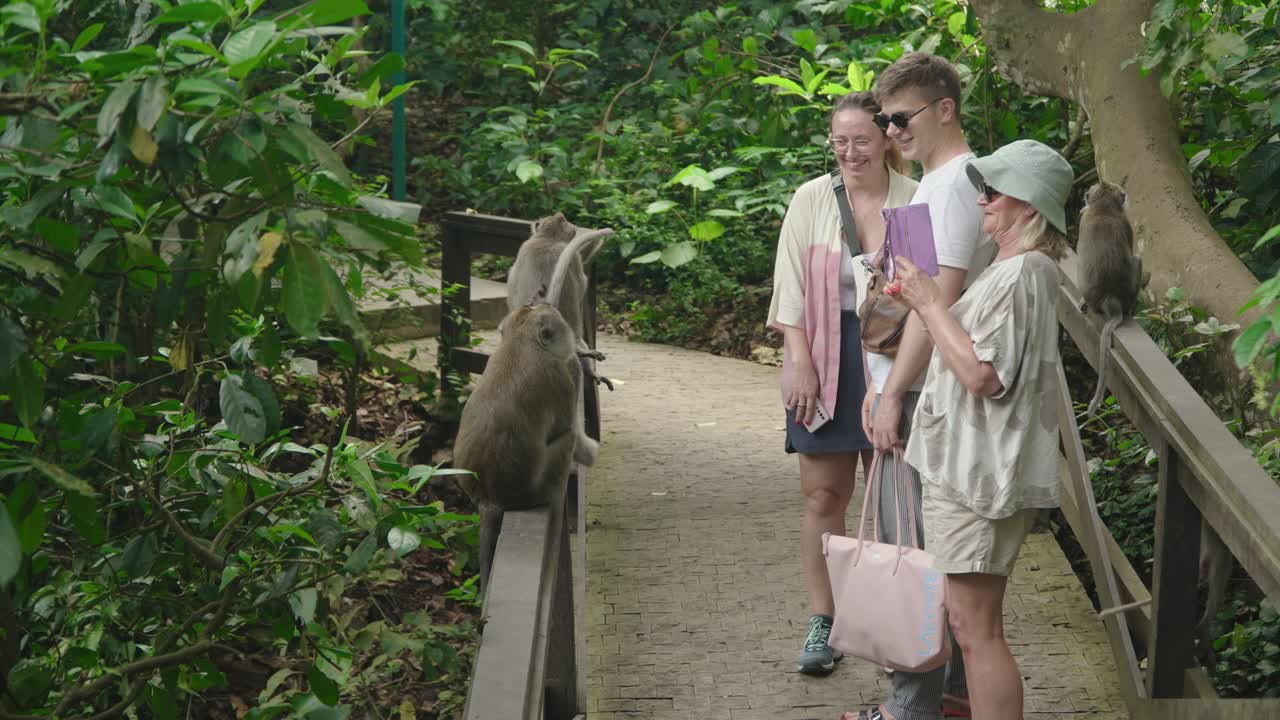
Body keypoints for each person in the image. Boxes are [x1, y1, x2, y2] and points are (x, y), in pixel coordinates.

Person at [885, 139, 1073, 720]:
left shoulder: (1023, 273)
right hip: (973, 472)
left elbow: (981, 376)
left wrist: (928, 301)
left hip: (980, 479)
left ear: (1028, 204)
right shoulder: (1015, 269)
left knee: (977, 630)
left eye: (994, 190)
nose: (982, 199)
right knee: (973, 626)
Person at [846, 52, 991, 720]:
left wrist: (892, 393)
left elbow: (937, 305)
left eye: (901, 118)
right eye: (886, 119)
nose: (893, 130)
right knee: (932, 556)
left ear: (944, 109)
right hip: (922, 389)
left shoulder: (957, 183)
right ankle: (940, 701)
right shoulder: (932, 185)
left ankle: (910, 708)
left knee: (915, 553)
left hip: (931, 395)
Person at [766, 91, 918, 675]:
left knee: (893, 503)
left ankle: (887, 625)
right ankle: (825, 620)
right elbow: (790, 283)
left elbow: (925, 293)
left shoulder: (912, 200)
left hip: (892, 358)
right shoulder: (812, 198)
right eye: (840, 141)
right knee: (823, 497)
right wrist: (796, 356)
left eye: (861, 140)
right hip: (824, 358)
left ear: (884, 140)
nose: (850, 152)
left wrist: (898, 384)